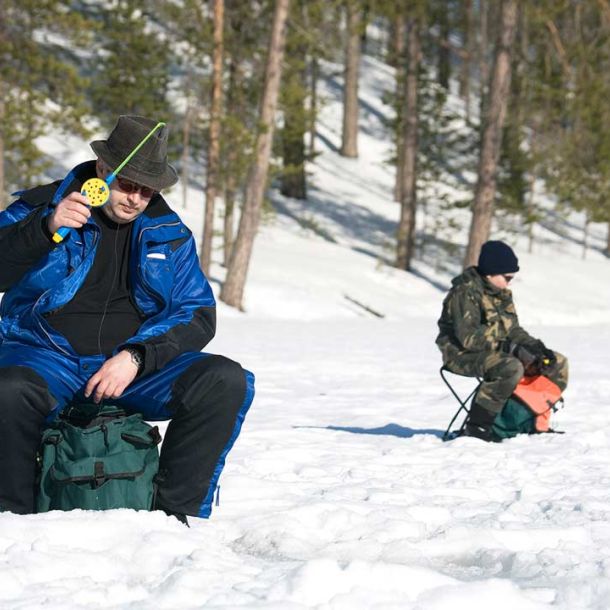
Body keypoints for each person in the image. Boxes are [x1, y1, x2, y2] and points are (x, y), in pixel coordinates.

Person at [0, 115, 255, 522]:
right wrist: (44, 229)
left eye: (147, 190)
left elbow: (197, 312)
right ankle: (13, 519)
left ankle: (175, 517)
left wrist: (138, 356)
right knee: (8, 389)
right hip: (45, 359)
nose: (136, 198)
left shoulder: (170, 234)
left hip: (131, 371)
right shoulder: (39, 208)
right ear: (103, 170)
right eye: (127, 184)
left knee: (224, 380)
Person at [436, 240, 568, 442]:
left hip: (496, 351)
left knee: (556, 363)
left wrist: (535, 347)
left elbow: (513, 330)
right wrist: (509, 347)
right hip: (461, 355)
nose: (510, 282)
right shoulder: (464, 292)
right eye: (507, 277)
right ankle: (478, 428)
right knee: (510, 366)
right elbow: (468, 338)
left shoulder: (501, 294)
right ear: (490, 273)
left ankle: (526, 422)